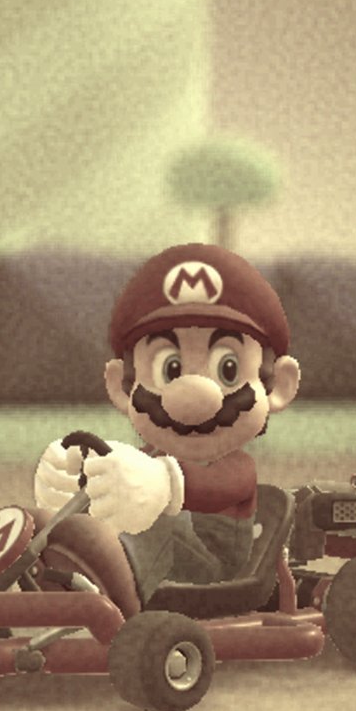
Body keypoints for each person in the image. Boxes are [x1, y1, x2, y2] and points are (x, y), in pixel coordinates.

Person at [34, 245, 300, 602]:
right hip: (166, 560)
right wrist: (71, 479)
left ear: (278, 386)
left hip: (216, 572)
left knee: (152, 522)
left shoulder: (236, 469)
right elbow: (131, 481)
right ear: (121, 387)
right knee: (79, 517)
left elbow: (199, 487)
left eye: (228, 370)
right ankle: (41, 572)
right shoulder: (146, 461)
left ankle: (114, 600)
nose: (191, 394)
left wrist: (165, 485)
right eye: (170, 369)